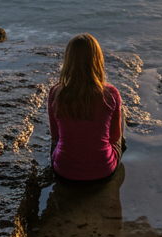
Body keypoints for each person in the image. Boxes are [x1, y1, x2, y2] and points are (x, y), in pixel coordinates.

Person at [47, 33, 125, 182]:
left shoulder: (55, 92)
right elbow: (114, 137)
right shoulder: (110, 93)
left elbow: (55, 137)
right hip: (103, 171)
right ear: (97, 59)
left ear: (68, 60)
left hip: (63, 173)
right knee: (121, 113)